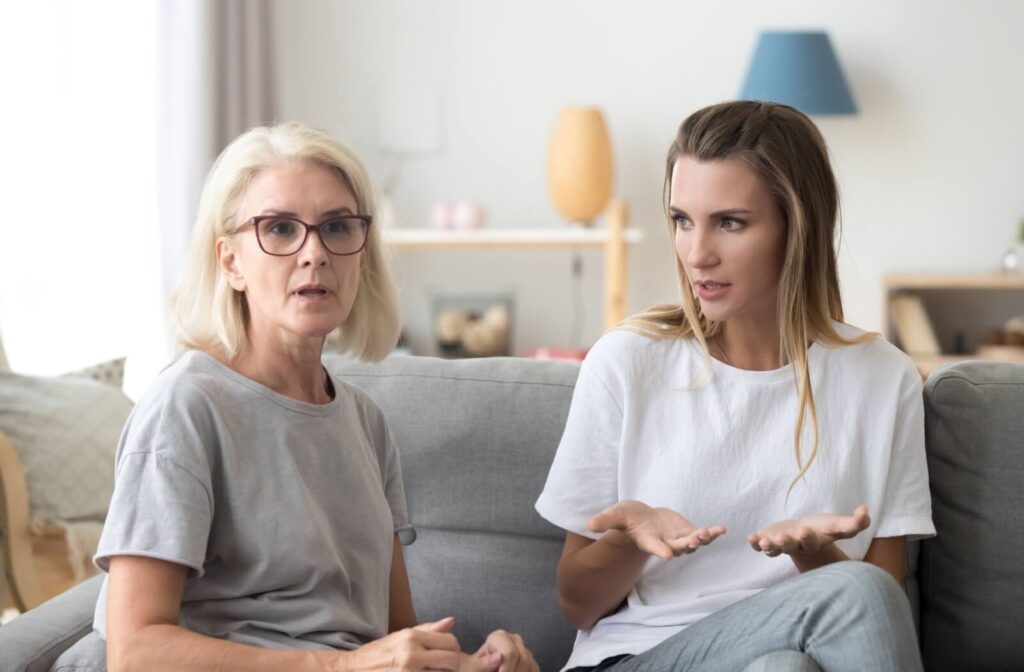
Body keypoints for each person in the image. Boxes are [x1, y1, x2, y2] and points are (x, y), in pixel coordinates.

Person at [54, 122, 537, 672]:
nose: (315, 252)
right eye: (280, 229)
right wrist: (340, 667)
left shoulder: (365, 422)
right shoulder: (186, 406)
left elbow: (395, 639)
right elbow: (135, 652)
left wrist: (472, 665)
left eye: (336, 227)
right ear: (230, 261)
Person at [535, 101, 934, 672]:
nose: (698, 254)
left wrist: (813, 553)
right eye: (681, 220)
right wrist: (628, 540)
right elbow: (577, 605)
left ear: (797, 227)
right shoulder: (627, 362)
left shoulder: (883, 379)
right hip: (640, 657)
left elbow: (877, 613)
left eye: (729, 222)